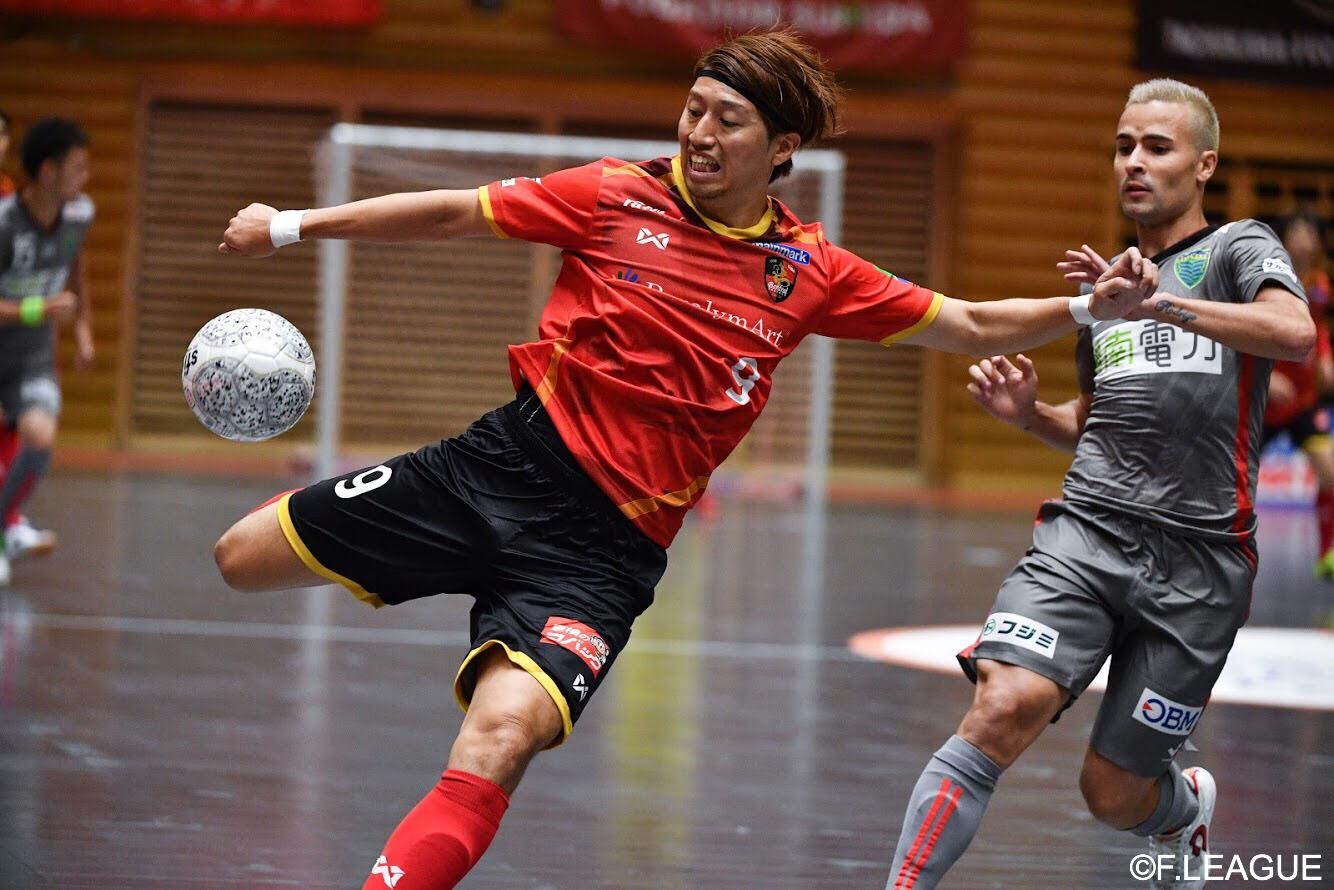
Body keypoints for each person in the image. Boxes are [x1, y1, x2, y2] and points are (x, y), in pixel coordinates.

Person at [214, 32, 1153, 889]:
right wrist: (292, 225)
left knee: (500, 740)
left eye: (728, 120)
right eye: (694, 109)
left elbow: (971, 322)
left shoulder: (810, 271)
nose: (700, 133)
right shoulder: (613, 194)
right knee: (239, 558)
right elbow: (454, 213)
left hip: (599, 556)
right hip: (496, 469)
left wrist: (1087, 309)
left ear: (781, 148)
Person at [883, 79, 1313, 890]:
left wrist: (1166, 307)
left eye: (1157, 147)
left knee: (1112, 794)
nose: (1134, 163)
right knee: (1002, 706)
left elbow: (1293, 333)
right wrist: (1028, 415)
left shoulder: (1237, 247)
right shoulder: (1108, 294)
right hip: (1088, 533)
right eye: (1123, 147)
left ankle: (1183, 806)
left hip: (1202, 564)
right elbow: (1097, 420)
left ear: (1204, 164)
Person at [0, 117, 96, 587]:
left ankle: (3, 529)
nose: (86, 176)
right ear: (47, 172)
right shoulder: (4, 224)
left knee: (39, 435)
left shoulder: (79, 214)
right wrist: (38, 308)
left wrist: (83, 327)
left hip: (32, 359)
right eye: (77, 167)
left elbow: (75, 263)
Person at [1262, 210, 1334, 577]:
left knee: (1330, 471)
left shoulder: (1320, 285)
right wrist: (1267, 378)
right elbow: (1253, 329)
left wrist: (1325, 356)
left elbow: (1317, 329)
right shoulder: (1267, 279)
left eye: (1311, 233)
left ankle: (1328, 553)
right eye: (1298, 232)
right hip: (1264, 403)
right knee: (1233, 477)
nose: (1305, 239)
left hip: (1303, 403)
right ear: (1286, 238)